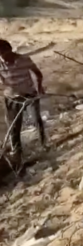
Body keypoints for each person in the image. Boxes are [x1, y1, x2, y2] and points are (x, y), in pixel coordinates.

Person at [0, 39, 47, 167]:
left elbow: (37, 73)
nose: (3, 57)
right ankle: (17, 155)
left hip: (29, 95)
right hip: (11, 98)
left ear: (9, 50)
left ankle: (44, 145)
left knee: (36, 120)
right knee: (14, 127)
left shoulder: (24, 59)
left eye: (3, 53)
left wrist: (39, 87)